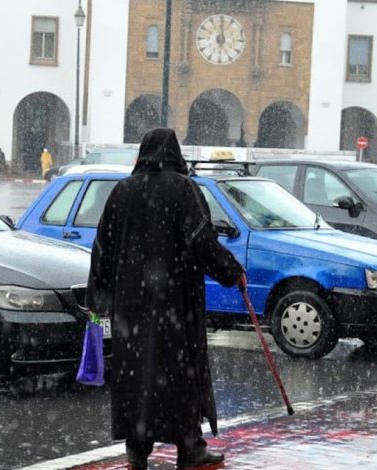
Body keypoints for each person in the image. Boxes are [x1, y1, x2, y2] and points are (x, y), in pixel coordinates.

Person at [86, 128, 244, 470]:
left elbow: (101, 251)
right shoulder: (183, 189)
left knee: (135, 378)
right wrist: (232, 271)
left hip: (130, 307)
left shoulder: (121, 192)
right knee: (180, 375)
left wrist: (98, 301)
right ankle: (189, 447)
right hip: (176, 303)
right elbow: (201, 242)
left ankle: (136, 451)